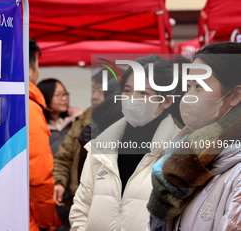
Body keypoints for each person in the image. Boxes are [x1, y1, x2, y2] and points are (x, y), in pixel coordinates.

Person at [69, 54, 182, 231]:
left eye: (143, 93)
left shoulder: (178, 151)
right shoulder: (101, 146)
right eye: (127, 91)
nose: (131, 99)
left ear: (166, 101)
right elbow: (81, 208)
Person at [147, 42, 241, 231]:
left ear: (234, 96)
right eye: (188, 86)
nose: (188, 96)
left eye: (199, 86)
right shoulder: (183, 153)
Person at [28, 38, 58, 231]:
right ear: (30, 68)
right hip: (25, 217)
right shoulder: (28, 107)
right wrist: (48, 222)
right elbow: (39, 176)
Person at [37, 78, 83, 156]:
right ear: (45, 97)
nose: (64, 99)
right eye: (58, 95)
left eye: (65, 94)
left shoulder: (77, 119)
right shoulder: (38, 125)